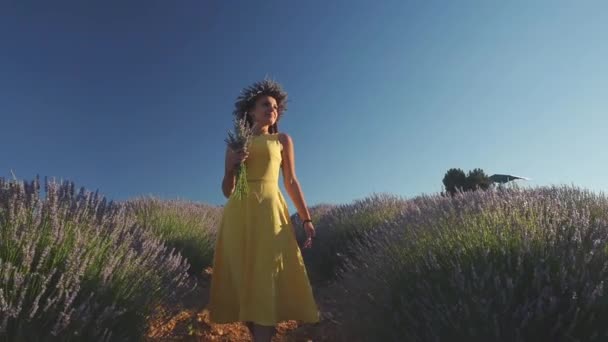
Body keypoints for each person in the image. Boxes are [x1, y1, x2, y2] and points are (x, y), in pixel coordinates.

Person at [207, 78, 320, 342]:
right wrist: (230, 167)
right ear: (251, 111)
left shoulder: (282, 139)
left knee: (266, 274)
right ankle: (256, 329)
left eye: (275, 107)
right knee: (242, 279)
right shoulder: (236, 143)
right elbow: (229, 191)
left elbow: (291, 181)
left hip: (269, 210)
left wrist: (306, 218)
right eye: (265, 105)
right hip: (239, 212)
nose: (272, 109)